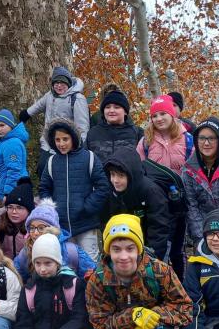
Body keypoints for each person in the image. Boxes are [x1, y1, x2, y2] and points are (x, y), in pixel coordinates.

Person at [86, 215, 192, 329]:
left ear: (139, 249)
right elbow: (100, 326)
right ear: (108, 251)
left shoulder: (159, 270)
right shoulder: (97, 281)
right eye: (116, 249)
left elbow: (185, 307)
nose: (124, 256)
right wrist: (133, 317)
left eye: (130, 249)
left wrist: (152, 316)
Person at [135, 94, 192, 276]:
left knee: (177, 249)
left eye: (162, 114)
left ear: (172, 114)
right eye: (154, 116)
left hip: (180, 204)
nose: (159, 119)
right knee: (157, 247)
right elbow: (139, 171)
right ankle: (158, 284)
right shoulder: (145, 142)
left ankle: (180, 286)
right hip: (155, 205)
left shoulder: (188, 140)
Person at [38, 118, 109, 261]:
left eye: (65, 139)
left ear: (73, 138)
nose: (61, 144)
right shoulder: (52, 162)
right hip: (61, 226)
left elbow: (103, 187)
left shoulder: (89, 157)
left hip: (86, 224)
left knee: (90, 263)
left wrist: (87, 207)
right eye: (58, 140)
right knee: (67, 264)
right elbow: (44, 188)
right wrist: (52, 210)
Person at [13, 234, 89, 329]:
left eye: (48, 263)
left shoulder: (73, 285)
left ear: (57, 262)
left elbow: (78, 321)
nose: (42, 269)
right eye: (38, 263)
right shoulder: (28, 290)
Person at [19, 66, 91, 178]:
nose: (59, 85)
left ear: (68, 83)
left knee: (61, 174)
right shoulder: (50, 95)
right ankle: (46, 194)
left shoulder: (77, 98)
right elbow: (39, 105)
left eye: (62, 82)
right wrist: (27, 113)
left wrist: (81, 143)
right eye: (56, 83)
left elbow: (82, 125)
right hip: (48, 142)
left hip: (66, 144)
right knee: (43, 170)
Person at [103, 147, 173, 260]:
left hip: (150, 244)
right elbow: (106, 223)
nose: (115, 180)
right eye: (112, 174)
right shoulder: (111, 191)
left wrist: (151, 257)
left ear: (131, 175)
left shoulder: (152, 192)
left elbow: (159, 228)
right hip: (125, 244)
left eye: (121, 175)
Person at [13, 198, 97, 282]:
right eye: (32, 228)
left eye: (41, 228)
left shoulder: (71, 252)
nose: (35, 233)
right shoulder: (26, 252)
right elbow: (16, 278)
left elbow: (92, 279)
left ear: (53, 229)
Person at [85, 88, 143, 163]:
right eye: (107, 107)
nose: (111, 110)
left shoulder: (137, 133)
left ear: (125, 112)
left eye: (117, 107)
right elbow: (85, 160)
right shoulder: (93, 133)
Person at [0, 109, 29, 206]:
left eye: (2, 125)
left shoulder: (13, 143)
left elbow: (14, 170)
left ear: (11, 125)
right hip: (3, 191)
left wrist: (9, 194)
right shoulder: (3, 142)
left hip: (13, 193)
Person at [0, 177, 34, 260]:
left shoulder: (35, 229)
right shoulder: (1, 225)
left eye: (19, 208)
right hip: (7, 267)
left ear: (29, 210)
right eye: (10, 207)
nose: (14, 211)